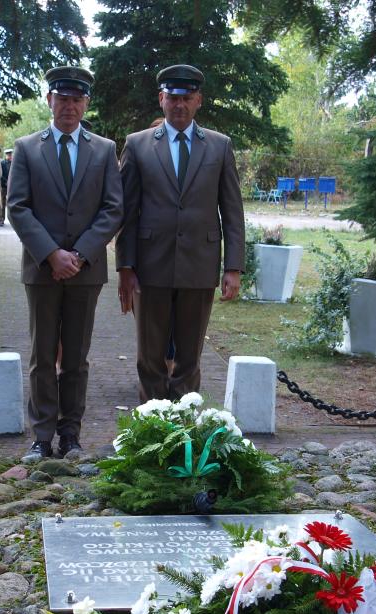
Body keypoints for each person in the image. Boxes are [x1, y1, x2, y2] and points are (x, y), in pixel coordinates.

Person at [7, 66, 123, 461]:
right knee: (42, 355)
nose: (69, 106)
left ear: (85, 104)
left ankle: (71, 434)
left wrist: (80, 254)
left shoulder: (104, 150)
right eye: (62, 99)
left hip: (86, 272)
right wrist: (51, 254)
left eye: (76, 100)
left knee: (76, 357)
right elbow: (17, 207)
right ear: (49, 100)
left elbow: (113, 208)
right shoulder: (27, 148)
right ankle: (41, 436)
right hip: (41, 269)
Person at [116, 64, 244, 401]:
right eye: (173, 98)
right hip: (150, 266)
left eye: (187, 98)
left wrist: (233, 267)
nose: (179, 105)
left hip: (199, 264)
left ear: (198, 100)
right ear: (162, 99)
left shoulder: (219, 146)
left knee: (190, 358)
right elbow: (127, 213)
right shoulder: (137, 145)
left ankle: (184, 423)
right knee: (150, 357)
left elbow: (232, 211)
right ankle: (151, 422)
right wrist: (125, 266)